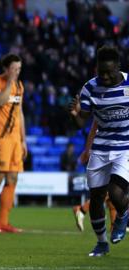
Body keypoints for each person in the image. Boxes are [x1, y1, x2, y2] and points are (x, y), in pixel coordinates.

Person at [69, 45, 129, 256]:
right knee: (96, 197)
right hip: (101, 146)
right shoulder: (90, 88)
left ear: (118, 68)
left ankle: (123, 214)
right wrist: (75, 114)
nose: (104, 76)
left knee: (115, 192)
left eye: (109, 73)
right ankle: (101, 243)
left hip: (126, 147)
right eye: (101, 71)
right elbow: (82, 122)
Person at [0, 53, 27, 234]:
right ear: (6, 69)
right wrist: (9, 82)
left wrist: (23, 140)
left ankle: (3, 222)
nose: (17, 72)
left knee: (13, 178)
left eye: (19, 69)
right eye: (14, 69)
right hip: (0, 138)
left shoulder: (20, 86)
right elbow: (0, 102)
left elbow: (20, 112)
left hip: (15, 140)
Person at [72, 121, 116, 232]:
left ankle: (114, 225)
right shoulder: (110, 119)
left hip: (105, 154)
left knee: (111, 194)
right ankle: (82, 209)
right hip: (106, 156)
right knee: (110, 191)